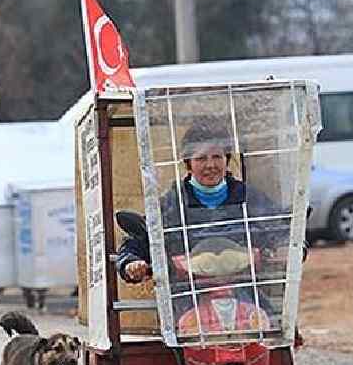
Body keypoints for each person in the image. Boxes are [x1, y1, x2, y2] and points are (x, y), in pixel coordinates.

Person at [116, 120, 284, 285]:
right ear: (188, 164)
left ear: (227, 160)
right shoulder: (172, 205)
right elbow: (138, 242)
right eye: (201, 158)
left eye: (217, 156)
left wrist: (285, 245)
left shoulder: (249, 198)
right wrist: (131, 263)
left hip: (244, 289)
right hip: (186, 294)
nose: (210, 165)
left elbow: (278, 227)